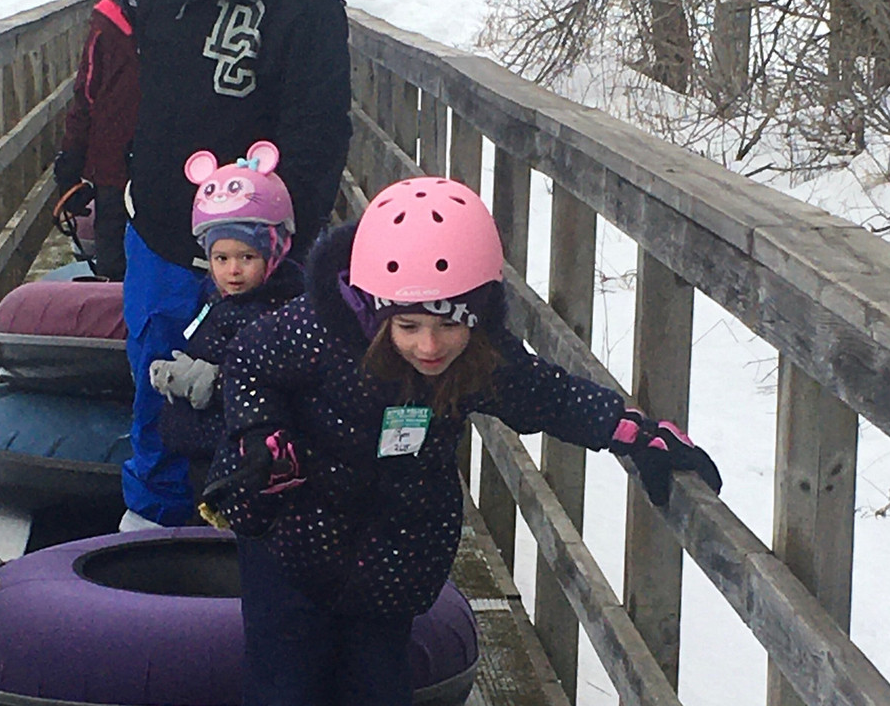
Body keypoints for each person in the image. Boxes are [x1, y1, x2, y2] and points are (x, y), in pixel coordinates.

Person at [204, 177, 723, 706]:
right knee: (285, 684)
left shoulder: (476, 357)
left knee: (376, 686)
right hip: (295, 539)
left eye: (448, 327)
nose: (429, 347)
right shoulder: (315, 330)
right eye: (407, 326)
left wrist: (630, 431)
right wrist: (260, 433)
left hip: (391, 555)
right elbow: (248, 363)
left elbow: (546, 394)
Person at [117, 0, 351, 531]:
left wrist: (282, 248)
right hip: (163, 234)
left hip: (259, 252)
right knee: (156, 381)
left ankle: (260, 539)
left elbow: (321, 128)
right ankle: (154, 530)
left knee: (263, 401)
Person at [148, 141, 304, 505]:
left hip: (239, 455)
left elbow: (273, 384)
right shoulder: (216, 296)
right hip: (205, 448)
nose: (232, 270)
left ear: (274, 252)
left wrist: (204, 381)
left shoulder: (278, 313)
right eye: (221, 257)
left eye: (247, 256)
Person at [54, 0, 160, 282]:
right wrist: (72, 158)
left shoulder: (180, 18)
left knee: (159, 252)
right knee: (114, 258)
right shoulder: (106, 25)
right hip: (113, 166)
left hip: (164, 164)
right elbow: (86, 95)